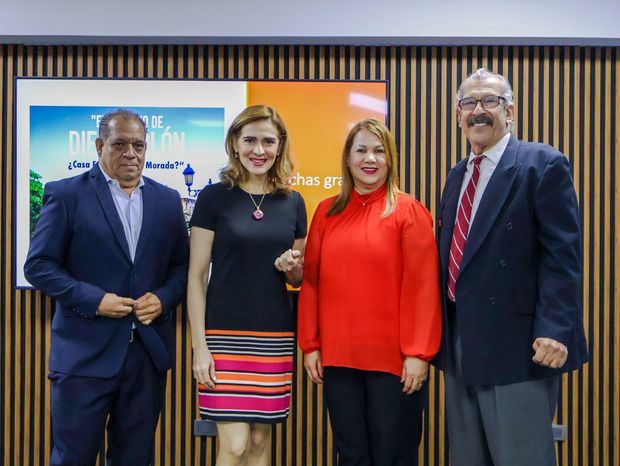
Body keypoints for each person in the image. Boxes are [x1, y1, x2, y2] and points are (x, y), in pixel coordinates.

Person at [433, 68, 589, 466]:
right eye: (468, 103)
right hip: (461, 342)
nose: (478, 111)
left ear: (511, 110)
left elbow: (562, 255)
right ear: (457, 115)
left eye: (490, 101)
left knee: (521, 457)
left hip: (519, 346)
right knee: (468, 458)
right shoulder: (457, 175)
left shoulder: (543, 164)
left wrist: (556, 329)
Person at [24, 109, 189, 465]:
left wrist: (163, 299)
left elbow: (182, 267)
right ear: (100, 145)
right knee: (74, 458)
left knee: (135, 458)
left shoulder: (166, 200)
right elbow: (38, 266)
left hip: (146, 356)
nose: (131, 153)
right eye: (120, 144)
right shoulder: (66, 194)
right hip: (84, 355)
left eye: (139, 145)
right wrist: (95, 300)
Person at [297, 118, 442, 466]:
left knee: (393, 455)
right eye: (361, 150)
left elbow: (424, 288)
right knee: (351, 456)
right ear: (347, 158)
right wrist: (310, 345)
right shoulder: (326, 212)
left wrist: (418, 354)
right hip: (338, 360)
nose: (370, 158)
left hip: (395, 364)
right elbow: (313, 282)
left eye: (379, 151)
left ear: (389, 159)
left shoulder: (409, 211)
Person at [187, 105, 307, 466]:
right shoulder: (213, 197)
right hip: (222, 336)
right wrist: (199, 348)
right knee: (235, 444)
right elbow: (195, 276)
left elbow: (298, 277)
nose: (259, 150)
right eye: (250, 140)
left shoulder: (293, 202)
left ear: (280, 145)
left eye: (268, 141)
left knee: (258, 440)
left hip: (272, 336)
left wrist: (290, 268)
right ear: (235, 144)